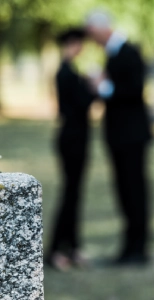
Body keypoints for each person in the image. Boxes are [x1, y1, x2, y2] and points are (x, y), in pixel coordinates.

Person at [85, 11, 152, 265]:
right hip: (119, 135)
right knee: (124, 190)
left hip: (131, 136)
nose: (92, 40)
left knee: (134, 190)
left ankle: (137, 248)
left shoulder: (129, 52)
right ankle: (129, 247)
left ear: (102, 29)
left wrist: (103, 86)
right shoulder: (114, 53)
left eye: (92, 34)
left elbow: (134, 90)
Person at [48, 28, 95, 271]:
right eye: (78, 43)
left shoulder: (71, 71)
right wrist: (93, 87)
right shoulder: (66, 72)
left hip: (79, 137)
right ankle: (56, 249)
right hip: (72, 139)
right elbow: (78, 106)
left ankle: (73, 246)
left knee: (75, 194)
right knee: (69, 193)